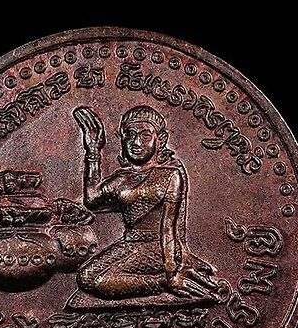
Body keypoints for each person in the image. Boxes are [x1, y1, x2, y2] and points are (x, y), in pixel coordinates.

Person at [73, 105, 218, 301]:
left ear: (161, 140)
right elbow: (91, 199)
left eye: (145, 135)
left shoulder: (170, 175)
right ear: (123, 139)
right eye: (130, 135)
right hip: (129, 243)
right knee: (85, 277)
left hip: (158, 247)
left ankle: (162, 282)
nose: (136, 142)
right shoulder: (122, 178)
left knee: (99, 280)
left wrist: (171, 271)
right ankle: (157, 281)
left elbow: (168, 227)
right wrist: (93, 150)